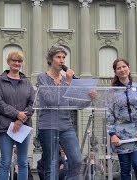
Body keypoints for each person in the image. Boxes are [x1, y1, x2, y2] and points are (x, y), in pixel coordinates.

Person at [37, 44, 97, 180]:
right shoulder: (42, 78)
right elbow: (51, 99)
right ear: (50, 60)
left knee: (76, 160)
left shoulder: (65, 80)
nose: (62, 60)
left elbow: (75, 103)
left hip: (66, 125)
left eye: (64, 57)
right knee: (52, 165)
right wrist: (68, 82)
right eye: (58, 57)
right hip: (48, 126)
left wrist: (89, 98)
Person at [0, 51, 35, 180]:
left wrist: (20, 120)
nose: (17, 63)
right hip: (6, 127)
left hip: (24, 127)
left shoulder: (27, 82)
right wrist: (17, 114)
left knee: (22, 162)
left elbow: (32, 104)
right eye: (14, 61)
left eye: (19, 61)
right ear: (8, 62)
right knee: (5, 162)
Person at [107, 58, 137, 180]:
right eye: (118, 68)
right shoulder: (112, 91)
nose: (122, 70)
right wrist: (112, 134)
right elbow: (109, 114)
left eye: (124, 66)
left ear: (129, 68)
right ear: (115, 72)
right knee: (125, 169)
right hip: (120, 135)